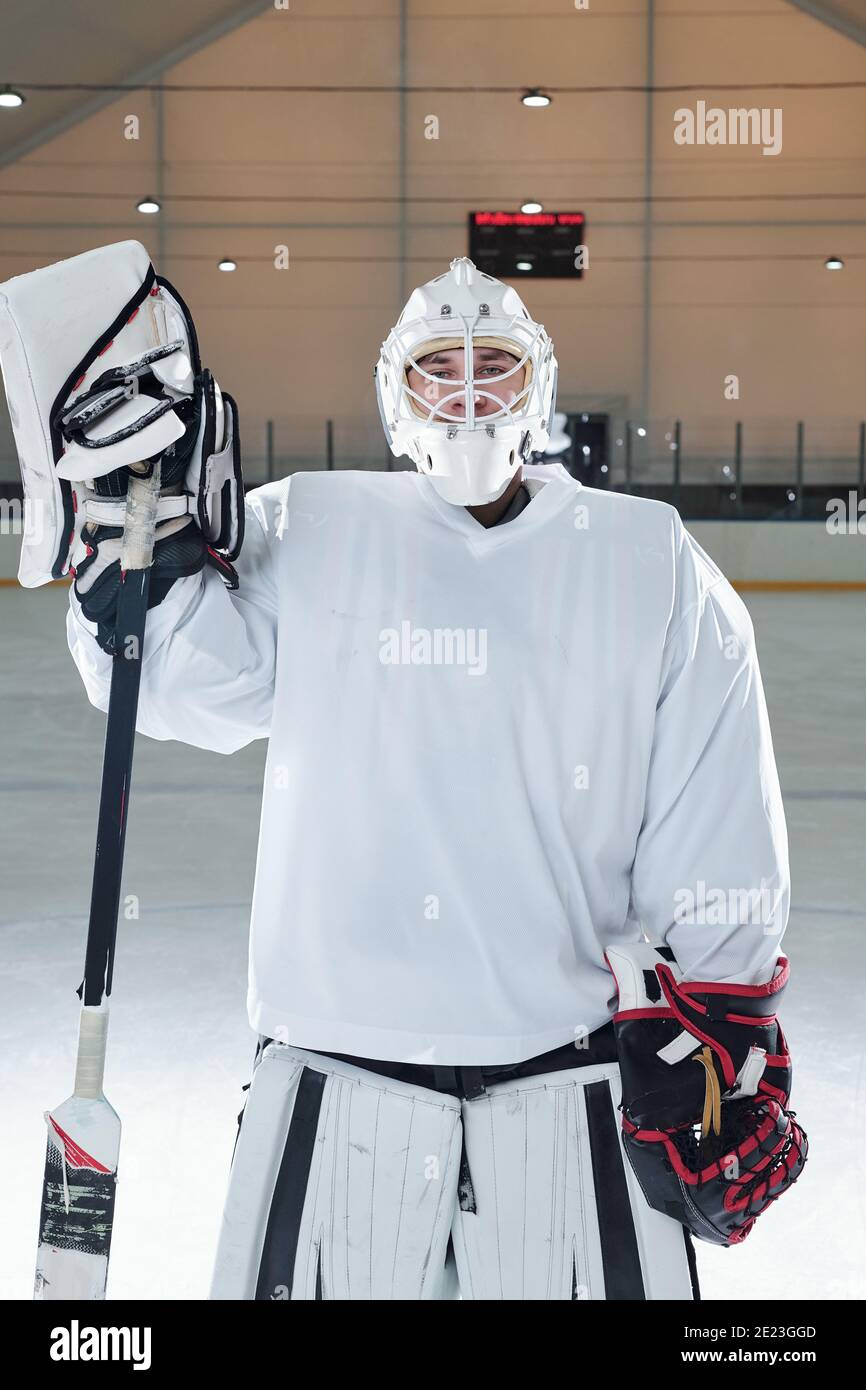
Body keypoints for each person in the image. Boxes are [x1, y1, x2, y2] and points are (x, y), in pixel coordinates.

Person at [65, 255, 791, 1300]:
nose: (462, 395)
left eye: (489, 366)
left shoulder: (647, 558)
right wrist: (131, 569)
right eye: (434, 371)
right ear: (392, 390)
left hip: (570, 1071)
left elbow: (709, 808)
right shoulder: (304, 527)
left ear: (534, 383)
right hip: (333, 1068)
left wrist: (724, 1019)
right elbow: (179, 686)